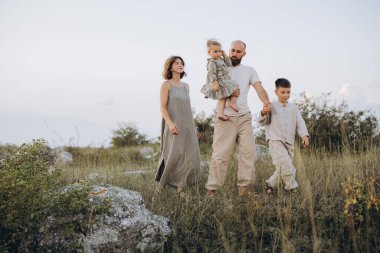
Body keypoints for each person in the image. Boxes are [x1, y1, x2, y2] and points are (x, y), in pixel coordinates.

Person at [205, 40, 271, 198]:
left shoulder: (250, 70)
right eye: (232, 50)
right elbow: (210, 87)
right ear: (228, 50)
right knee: (220, 155)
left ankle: (244, 190)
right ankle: (211, 191)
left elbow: (259, 88)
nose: (234, 54)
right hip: (225, 117)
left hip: (244, 117)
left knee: (247, 154)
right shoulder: (220, 66)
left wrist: (266, 103)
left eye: (238, 51)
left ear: (244, 54)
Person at [155, 56, 201, 195]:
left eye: (182, 63)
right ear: (170, 67)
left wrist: (194, 127)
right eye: (176, 63)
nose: (180, 65)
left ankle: (181, 187)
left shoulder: (186, 87)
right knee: (173, 155)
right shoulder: (166, 84)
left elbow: (187, 109)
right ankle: (163, 186)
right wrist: (170, 123)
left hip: (187, 126)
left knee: (191, 157)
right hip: (173, 124)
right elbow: (162, 107)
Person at [259, 78, 309, 194]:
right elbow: (262, 121)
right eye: (283, 92)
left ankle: (270, 185)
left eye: (288, 92)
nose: (286, 95)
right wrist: (264, 112)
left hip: (289, 143)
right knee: (285, 165)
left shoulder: (294, 108)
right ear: (276, 92)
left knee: (283, 167)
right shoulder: (271, 106)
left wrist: (304, 135)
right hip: (275, 140)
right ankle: (291, 188)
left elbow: (300, 123)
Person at [201, 39, 239, 120]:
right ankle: (230, 104)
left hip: (224, 80)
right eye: (215, 51)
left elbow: (229, 64)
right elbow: (212, 73)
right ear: (209, 52)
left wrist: (224, 55)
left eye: (219, 51)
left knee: (223, 96)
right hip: (219, 81)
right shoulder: (211, 62)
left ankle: (222, 112)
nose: (218, 53)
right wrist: (215, 83)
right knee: (233, 88)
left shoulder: (220, 59)